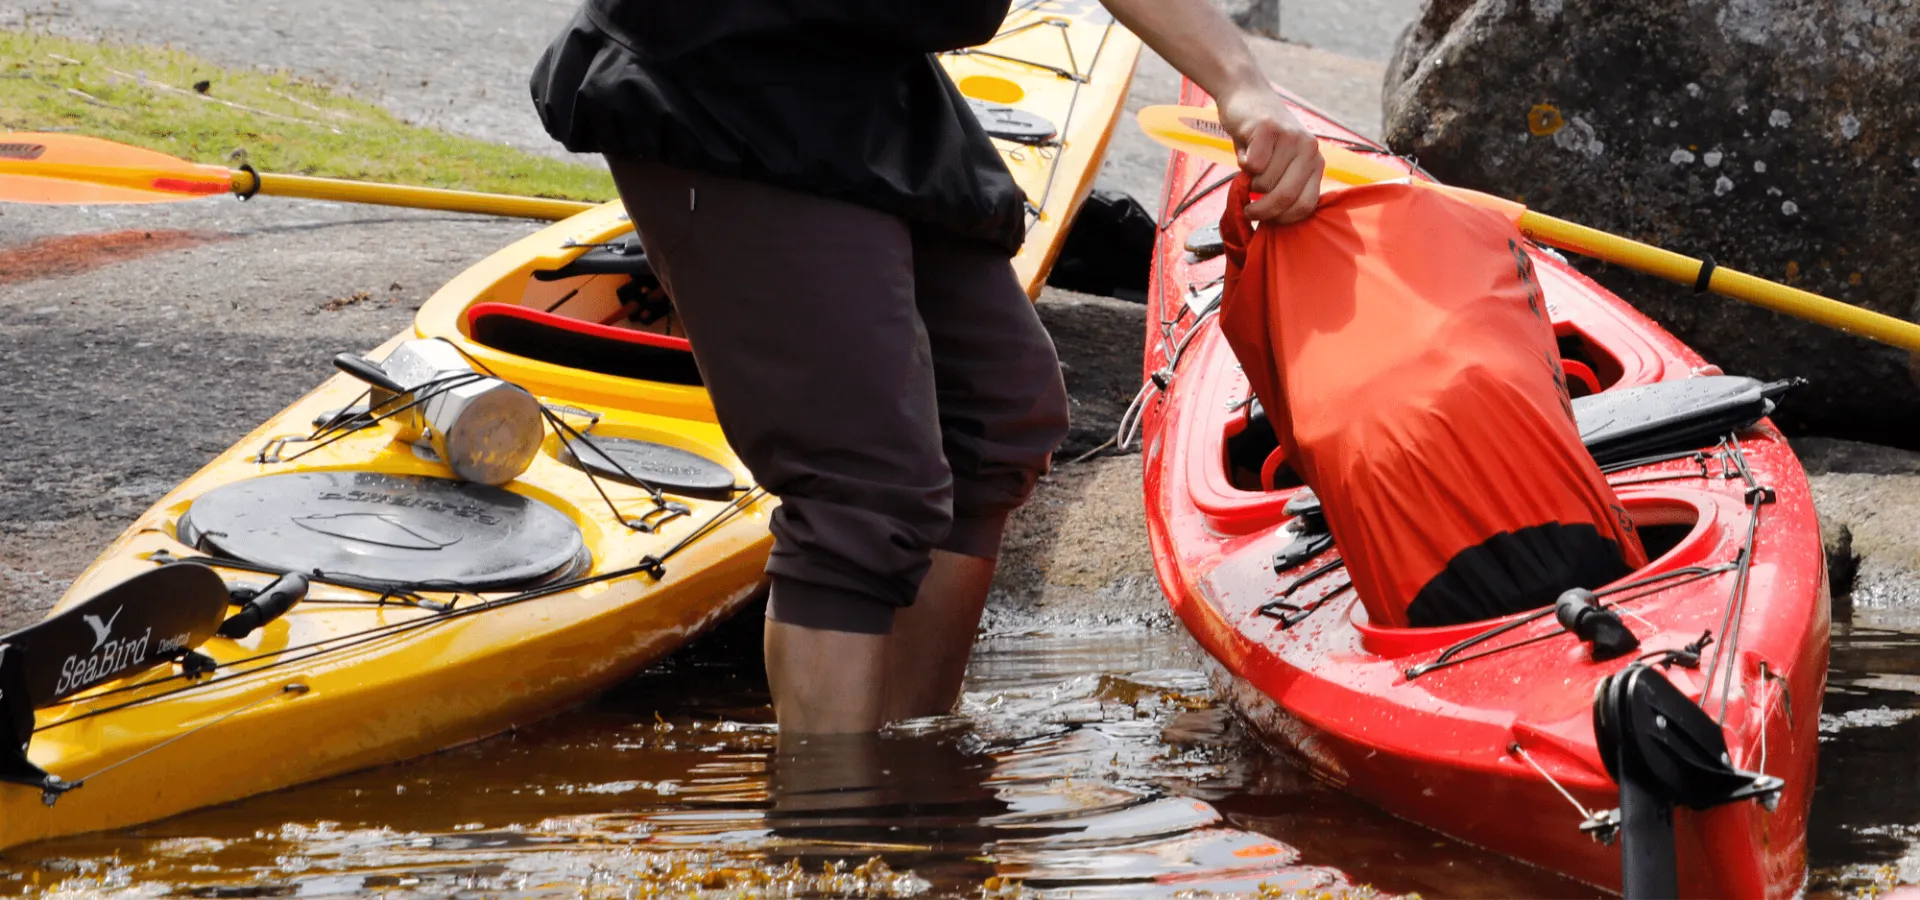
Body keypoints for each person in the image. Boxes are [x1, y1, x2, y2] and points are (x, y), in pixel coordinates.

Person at [531, 0, 1324, 735]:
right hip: (720, 70)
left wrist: (1241, 84)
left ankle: (912, 769)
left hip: (863, 69)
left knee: (995, 412)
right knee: (863, 480)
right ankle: (831, 846)